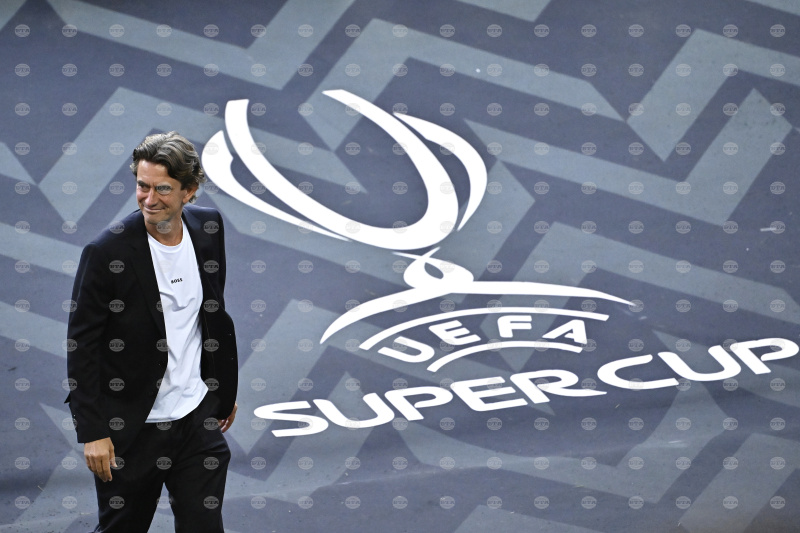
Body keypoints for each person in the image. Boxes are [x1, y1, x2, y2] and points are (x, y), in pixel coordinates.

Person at [66, 131, 239, 532]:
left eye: (162, 188)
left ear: (189, 191)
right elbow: (82, 345)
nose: (148, 199)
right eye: (142, 186)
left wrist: (223, 389)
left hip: (195, 420)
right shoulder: (106, 253)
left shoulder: (208, 228)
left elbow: (213, 314)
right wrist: (94, 432)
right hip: (131, 430)